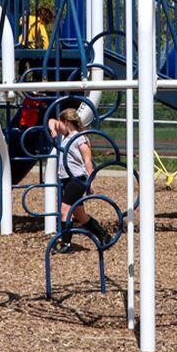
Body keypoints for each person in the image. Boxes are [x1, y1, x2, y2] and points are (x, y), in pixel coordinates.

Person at [50, 105, 107, 253]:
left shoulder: (80, 137)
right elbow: (50, 121)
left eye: (60, 123)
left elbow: (88, 160)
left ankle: (66, 244)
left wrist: (90, 181)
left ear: (66, 122)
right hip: (67, 179)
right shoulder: (66, 136)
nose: (58, 126)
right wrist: (53, 129)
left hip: (77, 178)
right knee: (80, 215)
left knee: (64, 210)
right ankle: (104, 235)